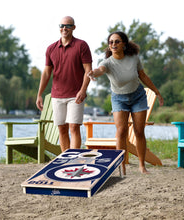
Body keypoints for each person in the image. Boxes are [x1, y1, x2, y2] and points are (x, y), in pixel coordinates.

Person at [87, 31, 164, 174]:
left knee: (139, 131)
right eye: (111, 42)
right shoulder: (107, 63)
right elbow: (100, 70)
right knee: (121, 131)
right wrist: (93, 73)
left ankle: (142, 166)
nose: (113, 44)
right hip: (119, 99)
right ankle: (121, 166)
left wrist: (156, 92)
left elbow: (143, 76)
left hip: (138, 97)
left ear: (124, 44)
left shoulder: (134, 58)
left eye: (117, 41)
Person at [36, 16, 92, 152]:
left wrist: (83, 90)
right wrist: (39, 95)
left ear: (74, 27)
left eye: (67, 25)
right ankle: (65, 160)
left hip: (75, 95)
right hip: (57, 95)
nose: (64, 28)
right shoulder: (51, 48)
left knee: (74, 126)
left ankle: (74, 159)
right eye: (62, 25)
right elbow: (46, 73)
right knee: (62, 128)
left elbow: (88, 70)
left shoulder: (81, 45)